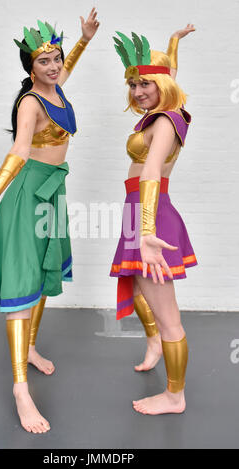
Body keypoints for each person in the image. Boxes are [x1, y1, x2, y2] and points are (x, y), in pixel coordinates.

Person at [0, 9, 99, 433]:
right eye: (44, 61)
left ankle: (31, 348)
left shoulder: (54, 86)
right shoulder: (32, 102)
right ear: (29, 68)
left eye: (56, 57)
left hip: (51, 193)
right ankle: (20, 389)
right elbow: (19, 150)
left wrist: (84, 40)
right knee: (22, 287)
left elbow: (65, 71)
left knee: (40, 278)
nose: (54, 66)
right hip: (24, 196)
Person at [110, 24, 197, 415]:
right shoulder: (168, 109)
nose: (138, 92)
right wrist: (174, 43)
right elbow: (170, 75)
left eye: (145, 84)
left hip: (151, 217)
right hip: (142, 213)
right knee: (140, 289)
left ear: (162, 86)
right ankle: (154, 343)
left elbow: (149, 173)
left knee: (170, 320)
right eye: (133, 85)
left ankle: (175, 396)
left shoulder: (164, 122)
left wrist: (145, 232)